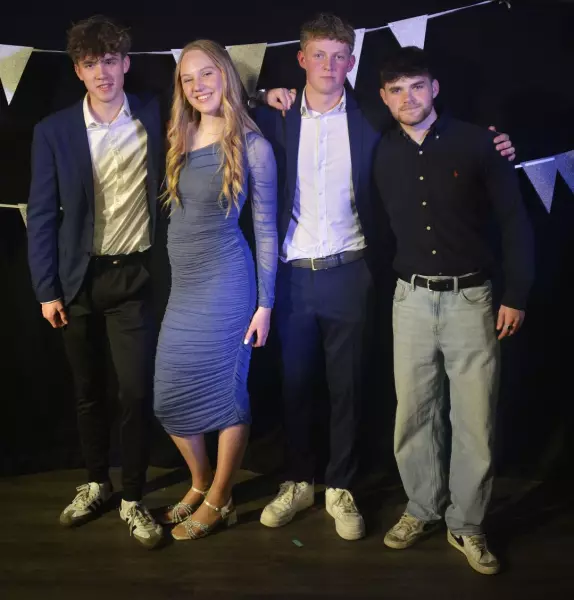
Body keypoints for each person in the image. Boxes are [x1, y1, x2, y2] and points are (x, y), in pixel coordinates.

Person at [254, 13, 516, 541]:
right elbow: (213, 101)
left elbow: (432, 128)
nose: (329, 66)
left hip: (352, 270)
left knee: (350, 388)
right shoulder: (275, 115)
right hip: (292, 274)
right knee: (295, 385)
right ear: (301, 59)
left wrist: (497, 141)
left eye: (339, 56)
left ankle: (340, 486)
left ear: (351, 61)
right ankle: (299, 480)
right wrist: (260, 93)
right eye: (318, 55)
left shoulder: (375, 115)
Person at [373, 46, 534, 574]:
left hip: (472, 299)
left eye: (417, 86)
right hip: (410, 299)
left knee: (474, 419)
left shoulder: (480, 143)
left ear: (434, 87)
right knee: (413, 414)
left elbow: (514, 223)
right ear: (384, 98)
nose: (408, 98)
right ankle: (422, 507)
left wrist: (517, 294)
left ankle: (467, 523)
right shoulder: (380, 150)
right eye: (397, 90)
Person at [26, 16, 163, 547]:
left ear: (125, 63)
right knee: (88, 392)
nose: (102, 72)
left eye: (109, 60)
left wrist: (269, 95)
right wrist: (46, 289)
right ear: (77, 70)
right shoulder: (53, 130)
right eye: (90, 63)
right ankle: (95, 482)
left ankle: (133, 496)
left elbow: (216, 108)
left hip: (134, 275)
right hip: (76, 280)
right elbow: (42, 215)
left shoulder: (155, 115)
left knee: (134, 391)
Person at [153, 39, 278, 541]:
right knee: (167, 396)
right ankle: (201, 482)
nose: (198, 85)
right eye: (187, 78)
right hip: (184, 287)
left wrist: (265, 304)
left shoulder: (253, 145)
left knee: (227, 392)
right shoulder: (179, 134)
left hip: (227, 284)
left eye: (207, 73)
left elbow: (266, 230)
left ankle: (221, 497)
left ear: (225, 73)